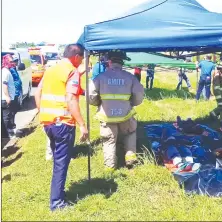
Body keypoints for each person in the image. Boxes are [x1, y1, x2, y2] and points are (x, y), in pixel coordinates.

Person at [35, 43, 88, 211]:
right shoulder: (71, 71)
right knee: (61, 163)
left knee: (58, 162)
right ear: (76, 56)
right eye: (82, 58)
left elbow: (38, 93)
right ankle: (57, 203)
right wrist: (82, 125)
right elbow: (71, 99)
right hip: (63, 124)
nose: (81, 62)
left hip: (48, 122)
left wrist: (41, 113)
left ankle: (57, 195)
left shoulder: (51, 70)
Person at [89, 50, 144, 170]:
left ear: (109, 61)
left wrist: (99, 103)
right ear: (122, 62)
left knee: (109, 140)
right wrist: (131, 103)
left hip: (107, 116)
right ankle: (130, 159)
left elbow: (90, 95)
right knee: (130, 133)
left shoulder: (100, 78)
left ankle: (110, 167)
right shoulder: (130, 77)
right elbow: (139, 95)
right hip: (125, 114)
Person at [1, 54, 17, 140]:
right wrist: (7, 97)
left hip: (6, 98)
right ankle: (6, 135)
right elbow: (4, 85)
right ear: (6, 62)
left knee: (7, 116)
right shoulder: (5, 72)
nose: (13, 63)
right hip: (5, 98)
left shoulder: (7, 71)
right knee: (6, 117)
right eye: (11, 61)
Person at [9, 56, 23, 136]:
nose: (16, 62)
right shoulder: (9, 70)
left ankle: (13, 127)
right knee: (11, 112)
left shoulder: (13, 69)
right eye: (14, 61)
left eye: (17, 61)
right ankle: (11, 129)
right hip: (13, 93)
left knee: (14, 111)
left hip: (17, 93)